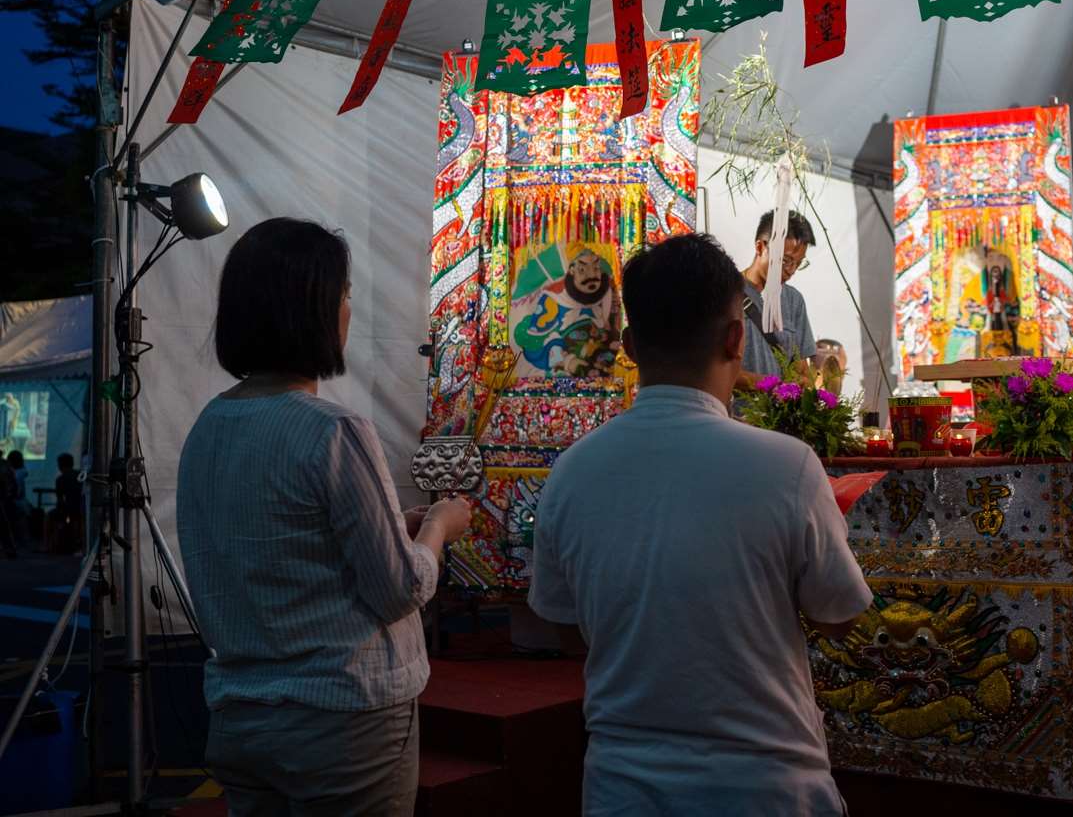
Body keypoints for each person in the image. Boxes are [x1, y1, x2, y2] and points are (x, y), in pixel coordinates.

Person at [529, 233, 872, 815]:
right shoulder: (787, 466)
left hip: (623, 788)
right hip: (766, 786)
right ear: (737, 338)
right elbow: (840, 617)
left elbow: (566, 630)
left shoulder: (572, 472)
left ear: (631, 346)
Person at [177, 218, 472, 817]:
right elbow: (399, 589)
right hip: (342, 723)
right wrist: (439, 528)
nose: (349, 310)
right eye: (344, 295)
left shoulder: (208, 426)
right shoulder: (335, 431)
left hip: (241, 715)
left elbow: (282, 548)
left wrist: (395, 530)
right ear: (311, 310)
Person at [737, 209, 818, 390]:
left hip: (780, 416)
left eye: (798, 263)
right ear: (760, 247)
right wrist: (772, 385)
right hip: (735, 415)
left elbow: (800, 368)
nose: (791, 270)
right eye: (785, 260)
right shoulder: (727, 292)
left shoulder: (793, 300)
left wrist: (804, 382)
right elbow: (714, 370)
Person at [48, 453, 84, 555]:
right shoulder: (80, 475)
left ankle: (47, 545)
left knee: (48, 516)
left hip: (68, 509)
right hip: (80, 508)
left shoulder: (60, 479)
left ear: (60, 465)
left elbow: (60, 499)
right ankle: (79, 542)